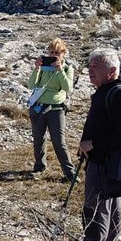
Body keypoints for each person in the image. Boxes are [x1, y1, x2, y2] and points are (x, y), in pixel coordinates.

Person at [76, 48, 121, 241]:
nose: (90, 70)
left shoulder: (117, 93)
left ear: (111, 71)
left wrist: (93, 144)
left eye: (96, 67)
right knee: (111, 213)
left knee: (96, 213)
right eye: (89, 66)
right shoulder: (108, 89)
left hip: (105, 165)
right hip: (108, 164)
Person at [28, 37, 77, 182]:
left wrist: (60, 70)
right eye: (51, 52)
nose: (53, 55)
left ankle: (69, 172)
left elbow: (68, 88)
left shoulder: (68, 68)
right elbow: (32, 85)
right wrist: (37, 68)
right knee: (38, 139)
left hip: (56, 109)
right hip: (38, 107)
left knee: (59, 142)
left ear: (63, 53)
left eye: (57, 52)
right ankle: (39, 166)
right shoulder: (44, 67)